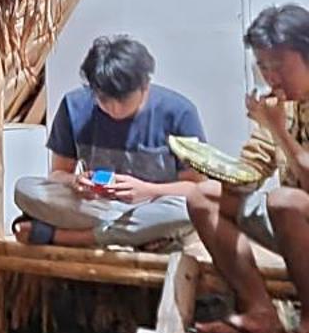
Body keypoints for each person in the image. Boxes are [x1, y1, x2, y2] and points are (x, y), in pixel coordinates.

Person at [184, 4, 309, 333]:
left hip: (298, 215)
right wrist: (213, 167)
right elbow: (254, 166)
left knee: (284, 201)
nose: (272, 77)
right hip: (297, 227)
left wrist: (281, 133)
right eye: (264, 67)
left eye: (280, 66)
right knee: (202, 197)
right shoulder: (280, 105)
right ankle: (260, 312)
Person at [11, 34, 208, 249]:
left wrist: (148, 190)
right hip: (100, 206)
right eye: (103, 100)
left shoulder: (180, 113)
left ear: (145, 87)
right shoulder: (74, 106)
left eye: (124, 101)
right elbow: (57, 175)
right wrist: (76, 182)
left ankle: (63, 236)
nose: (114, 109)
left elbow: (195, 188)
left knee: (183, 211)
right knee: (26, 189)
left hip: (154, 204)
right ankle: (140, 235)